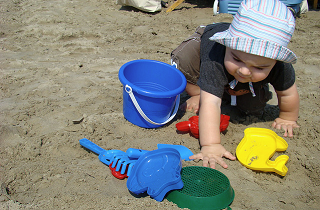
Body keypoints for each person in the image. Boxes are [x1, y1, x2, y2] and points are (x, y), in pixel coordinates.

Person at [171, 0, 300, 169]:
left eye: (260, 67)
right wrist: (211, 145)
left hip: (234, 70)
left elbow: (287, 93)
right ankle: (197, 91)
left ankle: (228, 85)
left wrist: (287, 117)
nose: (245, 71)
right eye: (237, 59)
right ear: (229, 47)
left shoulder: (280, 66)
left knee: (253, 107)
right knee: (186, 62)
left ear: (275, 61)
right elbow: (211, 103)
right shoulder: (216, 54)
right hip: (203, 46)